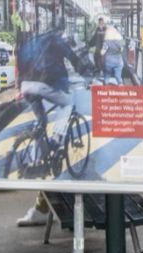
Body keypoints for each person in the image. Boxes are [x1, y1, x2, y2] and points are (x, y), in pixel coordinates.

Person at [14, 22, 88, 224]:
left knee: (41, 121)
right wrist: (85, 72)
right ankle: (56, 139)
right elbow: (73, 59)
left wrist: (19, 85)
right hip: (47, 84)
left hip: (27, 85)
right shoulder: (56, 40)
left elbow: (19, 64)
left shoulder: (30, 41)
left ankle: (42, 155)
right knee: (68, 103)